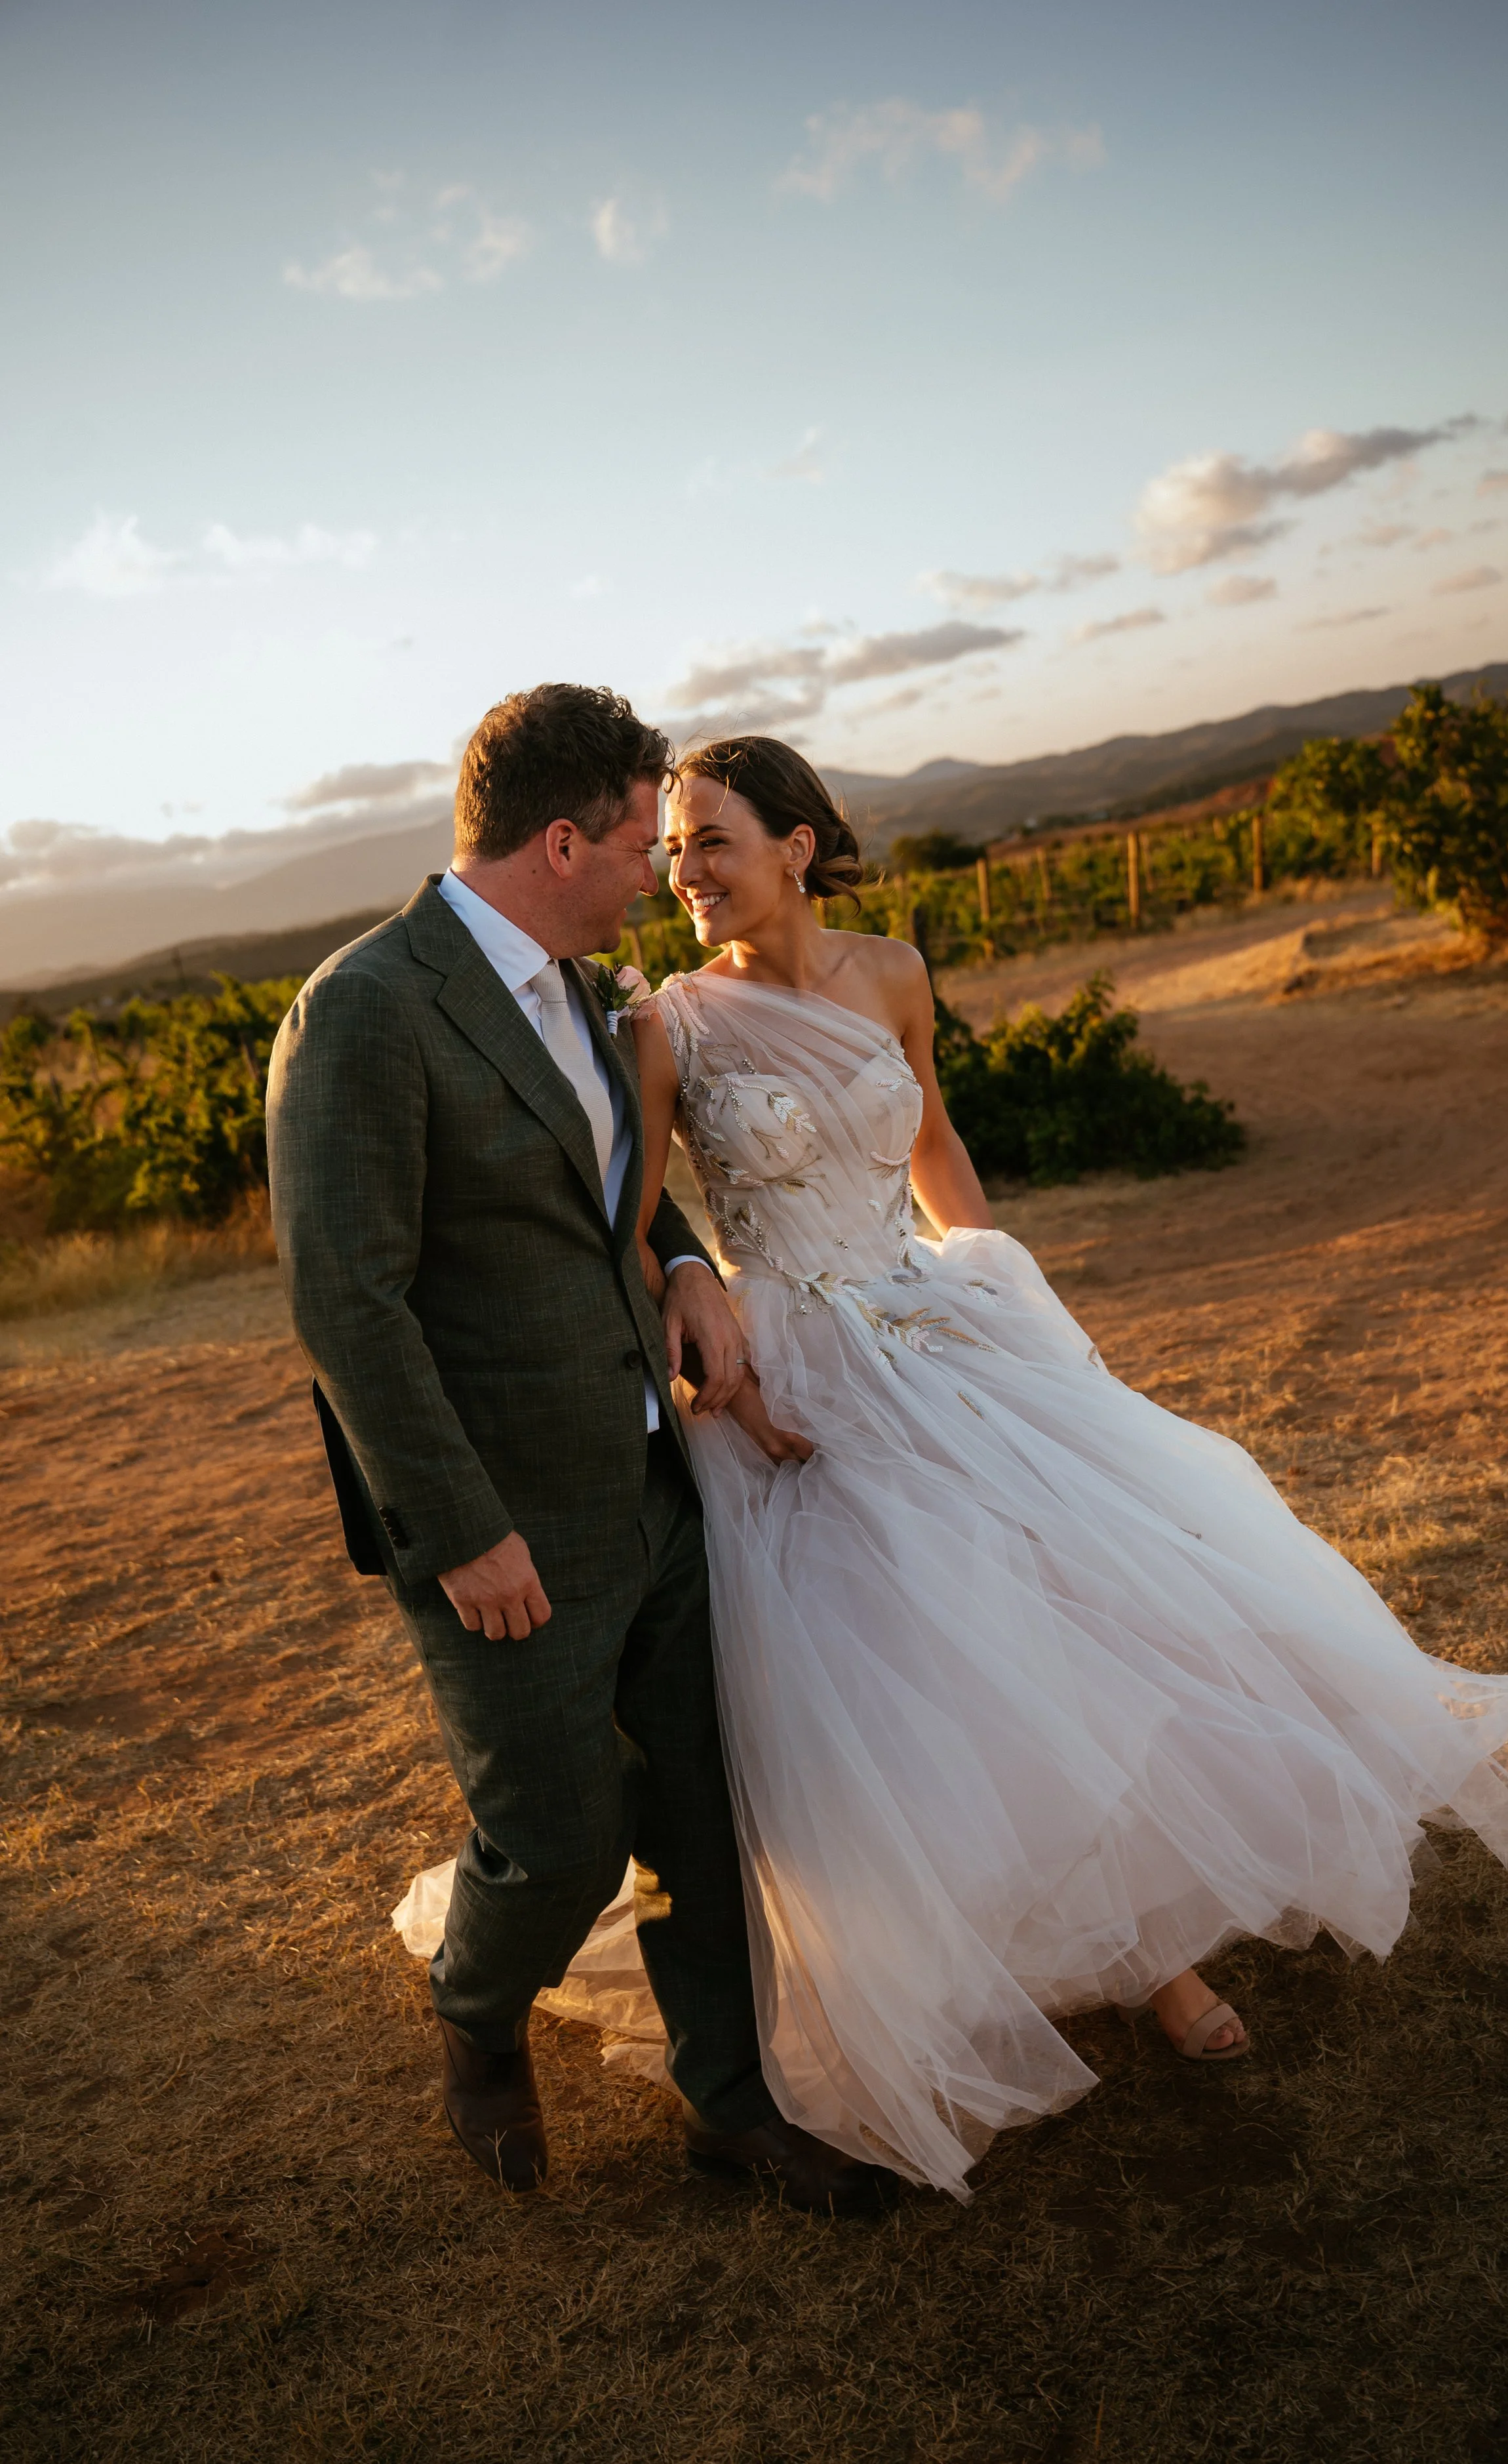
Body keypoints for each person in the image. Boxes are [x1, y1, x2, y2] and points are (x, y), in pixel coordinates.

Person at [601, 732, 1508, 2199]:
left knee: (1081, 1608)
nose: (682, 872)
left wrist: (1002, 1288)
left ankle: (1146, 1938)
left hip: (937, 1324)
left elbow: (935, 1142)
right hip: (797, 1376)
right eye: (667, 849)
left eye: (708, 838)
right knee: (929, 1658)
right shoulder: (670, 1023)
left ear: (794, 840)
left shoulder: (893, 970)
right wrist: (693, 1297)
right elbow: (639, 1215)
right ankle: (1108, 1960)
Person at [266, 685, 898, 2215]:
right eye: (637, 844)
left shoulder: (590, 987)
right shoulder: (365, 1010)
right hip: (505, 1525)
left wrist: (682, 1264)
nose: (659, 877)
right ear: (563, 840)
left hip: (655, 1483)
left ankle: (733, 2112)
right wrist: (460, 1528)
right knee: (556, 1840)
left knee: (698, 1806)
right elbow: (350, 1304)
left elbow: (609, 1186)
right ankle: (475, 2016)